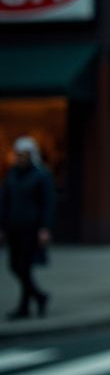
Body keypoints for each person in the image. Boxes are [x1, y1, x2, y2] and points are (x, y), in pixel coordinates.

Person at [0, 137, 55, 320]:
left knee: (24, 266)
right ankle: (38, 297)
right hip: (14, 227)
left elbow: (48, 203)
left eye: (23, 155)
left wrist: (45, 228)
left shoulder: (41, 175)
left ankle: (26, 305)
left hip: (32, 228)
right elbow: (5, 201)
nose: (20, 158)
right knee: (15, 265)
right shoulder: (12, 174)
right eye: (18, 155)